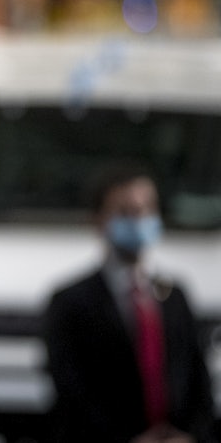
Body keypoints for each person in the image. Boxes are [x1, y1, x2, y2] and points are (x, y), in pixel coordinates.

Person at [43, 164, 216, 443]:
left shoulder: (175, 295)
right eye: (125, 211)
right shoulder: (71, 302)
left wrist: (191, 435)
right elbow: (71, 388)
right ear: (99, 219)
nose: (138, 218)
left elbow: (198, 377)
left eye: (146, 208)